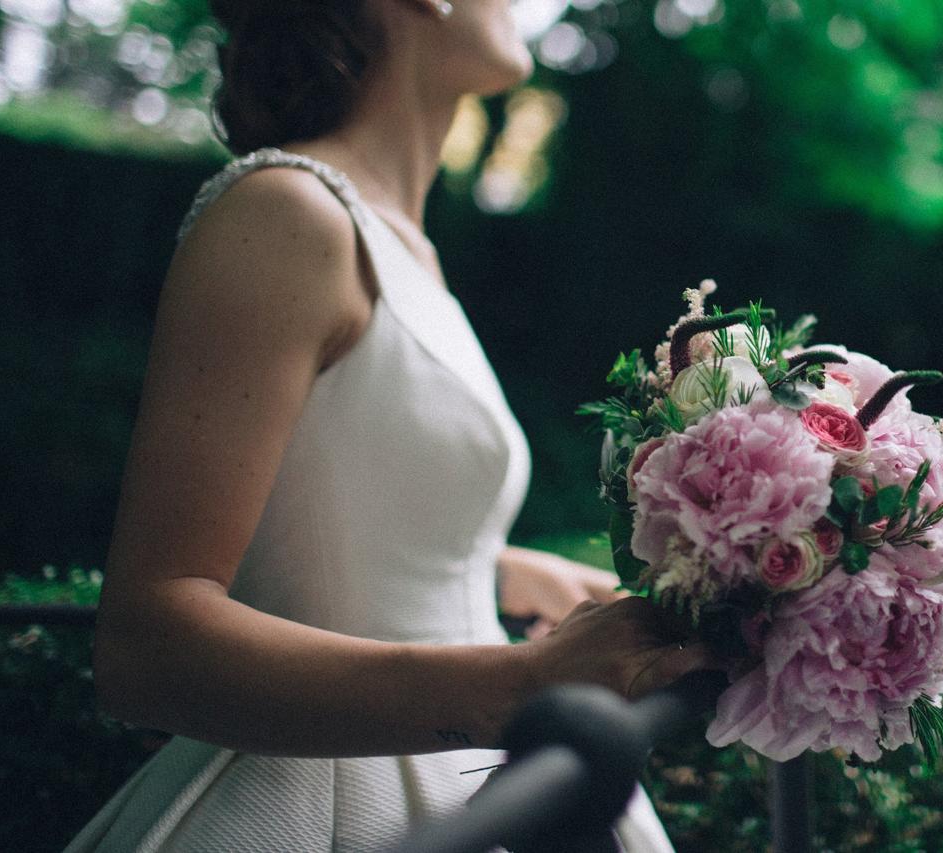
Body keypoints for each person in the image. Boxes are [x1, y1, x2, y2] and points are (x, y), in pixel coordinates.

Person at [63, 0, 719, 849]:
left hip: (466, 779)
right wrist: (521, 682)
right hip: (319, 802)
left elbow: (334, 501)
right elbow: (146, 645)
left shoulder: (403, 245)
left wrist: (494, 569)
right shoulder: (284, 214)